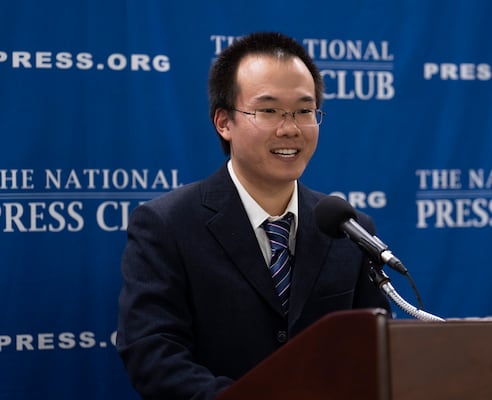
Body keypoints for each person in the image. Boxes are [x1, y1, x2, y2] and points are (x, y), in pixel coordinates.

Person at [116, 31, 391, 400]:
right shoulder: (166, 225)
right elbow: (153, 355)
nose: (289, 128)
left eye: (304, 111)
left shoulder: (349, 228)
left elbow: (372, 351)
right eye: (269, 110)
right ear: (224, 122)